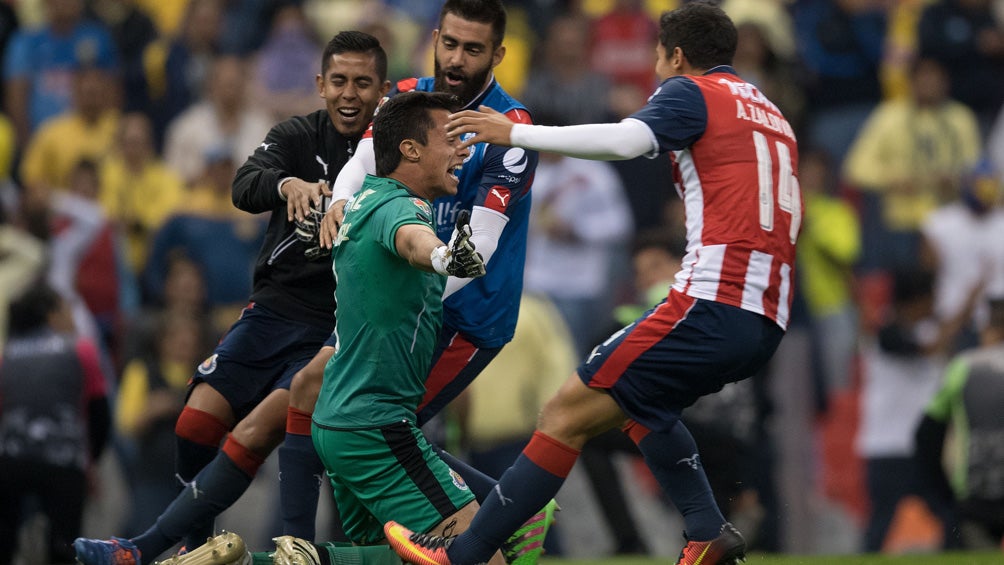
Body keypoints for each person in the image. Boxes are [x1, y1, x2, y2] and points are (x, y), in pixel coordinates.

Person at [384, 3, 800, 565]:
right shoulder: (770, 112)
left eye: (657, 56)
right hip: (768, 314)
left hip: (713, 298)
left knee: (567, 411)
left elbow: (628, 141)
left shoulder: (693, 91)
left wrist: (515, 133)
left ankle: (466, 555)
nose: (655, 70)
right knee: (639, 403)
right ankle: (706, 529)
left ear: (675, 55)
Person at [72, 30, 391, 565]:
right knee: (195, 423)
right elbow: (245, 184)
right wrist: (289, 185)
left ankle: (287, 546)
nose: (349, 94)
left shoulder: (388, 155)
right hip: (270, 312)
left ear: (382, 91)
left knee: (270, 425)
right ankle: (199, 547)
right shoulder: (296, 134)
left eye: (363, 83)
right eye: (339, 81)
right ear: (320, 84)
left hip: (334, 328)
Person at [278, 0, 545, 554]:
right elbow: (361, 167)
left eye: (473, 49)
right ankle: (299, 544)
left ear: (498, 54)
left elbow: (478, 252)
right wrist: (342, 211)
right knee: (325, 399)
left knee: (376, 425)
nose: (456, 58)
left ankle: (506, 513)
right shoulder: (406, 101)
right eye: (449, 43)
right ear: (434, 37)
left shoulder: (509, 128)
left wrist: (383, 280)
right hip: (409, 289)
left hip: (465, 312)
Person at [0, 282, 112, 564]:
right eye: (68, 310)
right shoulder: (80, 351)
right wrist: (91, 460)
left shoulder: (8, 354)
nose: (73, 318)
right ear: (51, 315)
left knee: (4, 542)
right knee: (64, 547)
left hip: (11, 460)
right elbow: (100, 415)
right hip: (63, 460)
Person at [915, 296, 1004, 549]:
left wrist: (941, 496)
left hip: (975, 495)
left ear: (987, 329)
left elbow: (926, 434)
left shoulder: (963, 368)